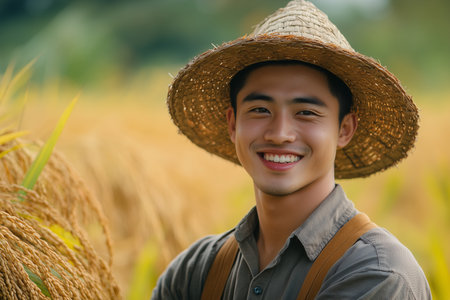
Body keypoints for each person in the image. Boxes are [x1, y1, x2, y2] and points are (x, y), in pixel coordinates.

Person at [152, 0, 431, 299]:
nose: (280, 134)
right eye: (260, 109)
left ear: (344, 129)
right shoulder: (196, 271)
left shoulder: (376, 274)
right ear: (233, 124)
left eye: (306, 113)